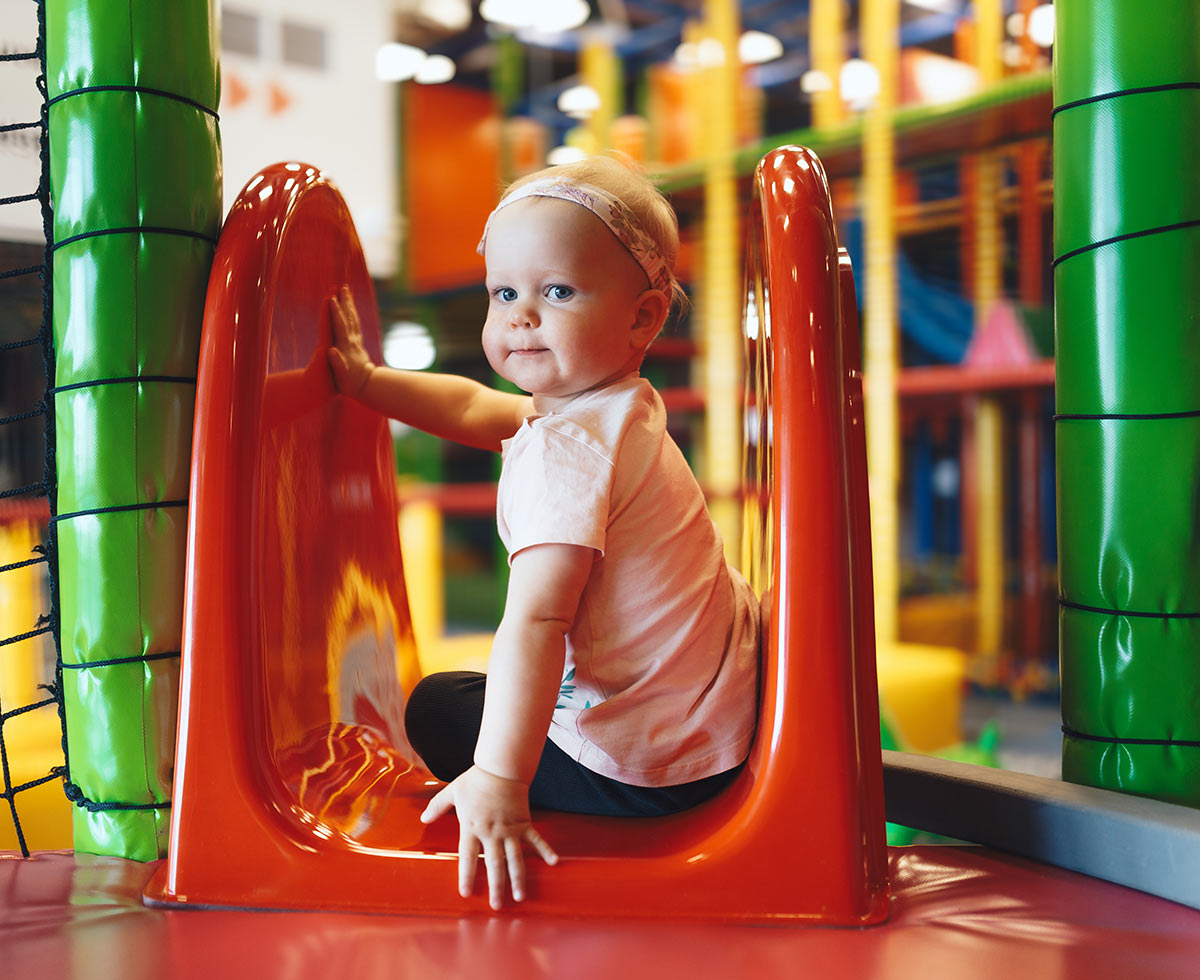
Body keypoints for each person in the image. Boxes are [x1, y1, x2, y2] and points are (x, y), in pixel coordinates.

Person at [327, 155, 759, 911]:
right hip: (705, 732)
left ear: (643, 317)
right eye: (505, 292)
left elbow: (539, 620)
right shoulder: (616, 407)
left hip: (642, 773)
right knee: (485, 686)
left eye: (556, 291)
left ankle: (533, 776)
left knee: (436, 703)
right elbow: (472, 408)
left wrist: (499, 779)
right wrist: (367, 382)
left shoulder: (568, 450)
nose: (522, 314)